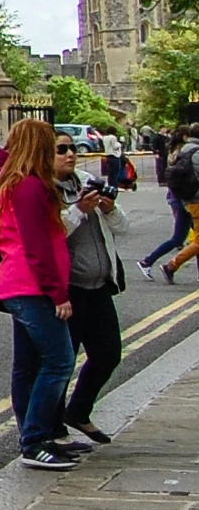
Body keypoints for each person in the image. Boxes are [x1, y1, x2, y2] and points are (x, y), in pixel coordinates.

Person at [0, 117, 83, 470]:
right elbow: (37, 246)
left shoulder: (15, 183)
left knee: (28, 365)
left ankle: (39, 436)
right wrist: (58, 293)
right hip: (32, 287)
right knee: (60, 360)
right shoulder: (30, 187)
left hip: (21, 285)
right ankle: (34, 440)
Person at [57, 137, 129, 447]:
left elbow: (123, 228)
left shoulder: (88, 181)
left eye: (72, 148)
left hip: (100, 284)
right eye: (61, 149)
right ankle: (52, 430)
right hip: (68, 288)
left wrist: (109, 209)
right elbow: (51, 234)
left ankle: (78, 411)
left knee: (108, 353)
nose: (70, 154)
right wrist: (78, 211)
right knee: (62, 361)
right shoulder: (46, 190)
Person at [142, 129, 199, 277]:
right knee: (187, 239)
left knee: (185, 238)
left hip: (184, 199)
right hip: (193, 200)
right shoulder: (195, 152)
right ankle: (168, 266)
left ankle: (156, 263)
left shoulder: (182, 151)